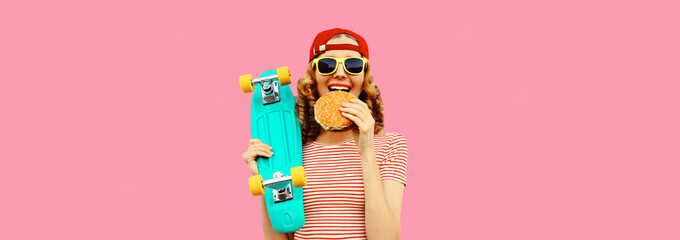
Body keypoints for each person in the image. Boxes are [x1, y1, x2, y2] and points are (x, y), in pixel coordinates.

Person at [242, 28, 408, 240]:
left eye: (353, 65)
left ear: (364, 78)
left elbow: (385, 238)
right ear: (314, 78)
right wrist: (266, 177)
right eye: (327, 65)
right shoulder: (293, 149)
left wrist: (366, 152)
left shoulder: (391, 146)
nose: (340, 73)